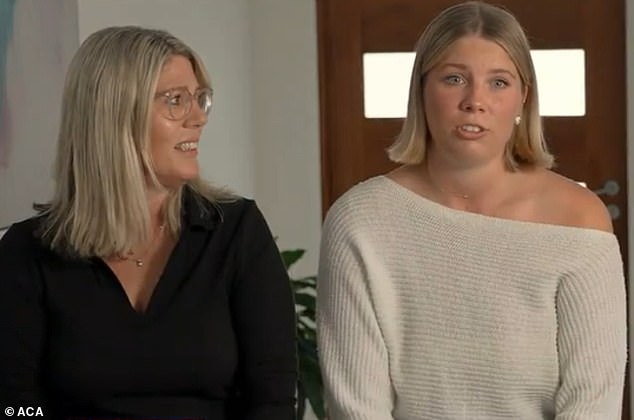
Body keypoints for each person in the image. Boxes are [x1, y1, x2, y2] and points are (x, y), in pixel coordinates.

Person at [316, 1, 627, 419]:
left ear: (523, 99)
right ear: (422, 91)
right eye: (454, 78)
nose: (474, 100)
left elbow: (594, 401)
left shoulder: (580, 220)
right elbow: (357, 407)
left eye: (499, 82)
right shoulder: (360, 222)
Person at [0, 26, 297, 419]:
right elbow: (13, 406)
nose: (197, 119)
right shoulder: (28, 251)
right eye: (175, 101)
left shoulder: (237, 232)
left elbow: (272, 401)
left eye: (200, 99)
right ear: (115, 115)